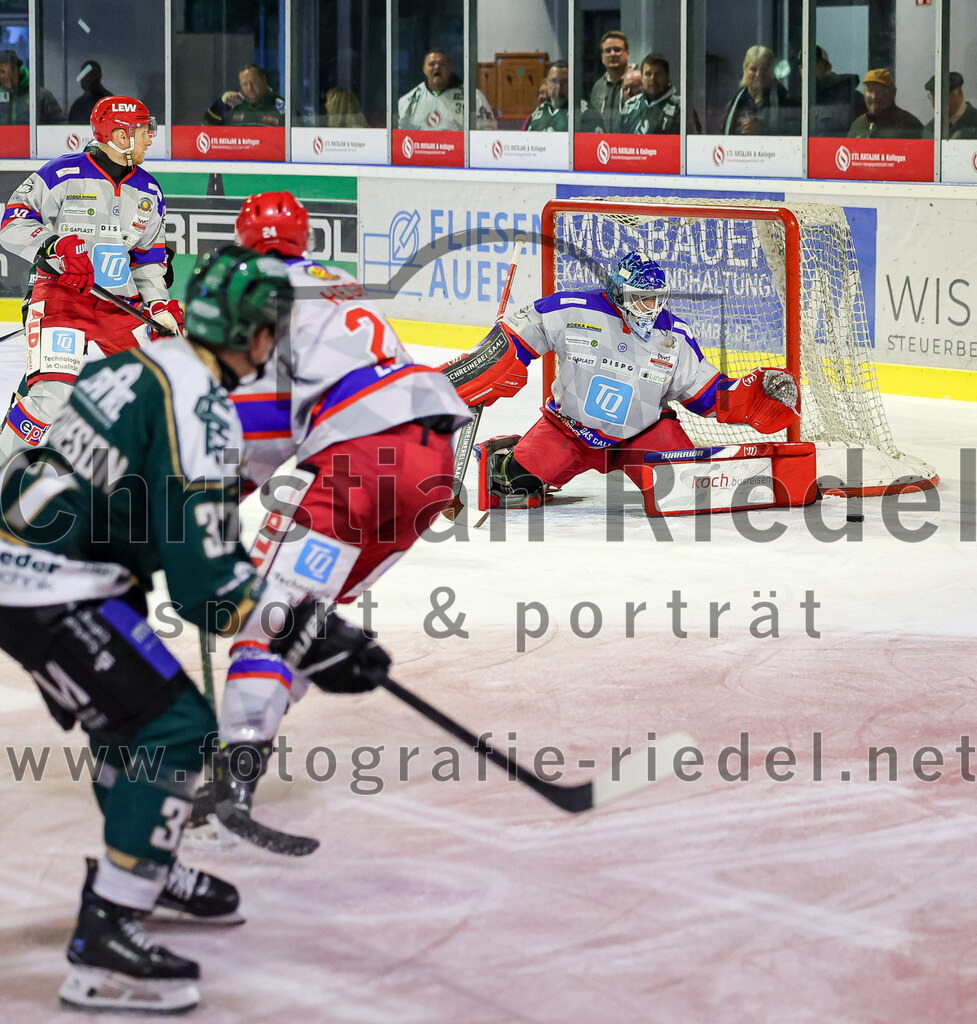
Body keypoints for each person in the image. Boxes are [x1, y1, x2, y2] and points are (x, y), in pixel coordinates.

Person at [0, 246, 291, 1011]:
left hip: (26, 563)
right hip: (56, 586)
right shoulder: (203, 409)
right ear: (252, 336)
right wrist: (306, 633)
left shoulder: (130, 362)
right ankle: (107, 941)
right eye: (270, 331)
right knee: (178, 728)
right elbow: (204, 588)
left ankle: (147, 866)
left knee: (128, 721)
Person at [189, 191, 471, 832]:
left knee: (269, 618)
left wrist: (215, 496)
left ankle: (231, 788)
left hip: (359, 467)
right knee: (304, 626)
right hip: (429, 470)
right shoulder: (336, 282)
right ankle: (248, 745)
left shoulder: (258, 292)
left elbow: (261, 432)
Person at [441, 252, 800, 508]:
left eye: (656, 298)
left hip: (643, 435)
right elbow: (521, 330)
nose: (651, 307)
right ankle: (502, 456)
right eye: (641, 299)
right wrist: (497, 360)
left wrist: (748, 398)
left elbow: (707, 394)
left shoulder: (673, 335)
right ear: (619, 293)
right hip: (570, 430)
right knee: (515, 485)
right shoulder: (573, 308)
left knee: (682, 492)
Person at [0, 95, 181, 462]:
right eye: (145, 129)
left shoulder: (150, 191)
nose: (151, 137)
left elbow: (148, 260)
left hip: (120, 305)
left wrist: (159, 304)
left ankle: (147, 483)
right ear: (119, 134)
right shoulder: (62, 174)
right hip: (61, 298)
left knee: (168, 387)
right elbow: (13, 221)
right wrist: (53, 245)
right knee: (53, 395)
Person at [398, 48, 495, 130]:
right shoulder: (408, 101)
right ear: (424, 69)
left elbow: (487, 134)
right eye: (432, 64)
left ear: (450, 68)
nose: (437, 67)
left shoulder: (474, 98)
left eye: (442, 64)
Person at [722, 45, 798, 135]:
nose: (758, 74)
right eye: (753, 69)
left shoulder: (785, 100)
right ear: (745, 70)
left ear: (772, 72)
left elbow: (795, 133)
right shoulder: (737, 101)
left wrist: (762, 129)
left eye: (764, 69)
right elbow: (724, 133)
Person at [525, 61, 603, 133]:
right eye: (555, 81)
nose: (559, 87)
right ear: (547, 83)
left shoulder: (585, 113)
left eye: (565, 81)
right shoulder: (540, 112)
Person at [847, 69, 922, 139]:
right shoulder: (859, 124)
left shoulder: (909, 124)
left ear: (892, 93)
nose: (874, 96)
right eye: (870, 90)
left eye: (879, 91)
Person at [203, 63, 285, 127]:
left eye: (254, 82)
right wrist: (222, 104)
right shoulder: (234, 105)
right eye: (245, 84)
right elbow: (206, 126)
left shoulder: (280, 106)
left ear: (263, 79)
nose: (250, 88)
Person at [809, 45, 865, 137]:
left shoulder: (852, 97)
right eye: (802, 66)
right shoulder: (797, 100)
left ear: (828, 68)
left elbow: (863, 132)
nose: (809, 70)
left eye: (816, 64)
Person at [621, 53, 683, 134]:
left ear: (667, 77)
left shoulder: (681, 107)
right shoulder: (630, 105)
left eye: (658, 74)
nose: (652, 79)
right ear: (642, 77)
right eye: (648, 74)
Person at [0, 49, 65, 125]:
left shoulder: (40, 96)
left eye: (12, 70)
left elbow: (60, 126)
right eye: (2, 71)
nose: (9, 75)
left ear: (19, 70)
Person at [589, 31, 631, 133]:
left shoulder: (637, 82)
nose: (612, 54)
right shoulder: (598, 86)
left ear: (627, 54)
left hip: (631, 145)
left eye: (617, 50)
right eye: (608, 50)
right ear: (602, 57)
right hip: (605, 145)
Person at [922, 71, 977, 140]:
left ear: (958, 93)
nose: (934, 103)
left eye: (941, 96)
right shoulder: (930, 129)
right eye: (932, 96)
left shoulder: (974, 122)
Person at [67, 59, 111, 124]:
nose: (87, 78)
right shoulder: (77, 105)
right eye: (84, 75)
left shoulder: (108, 102)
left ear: (99, 76)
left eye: (91, 75)